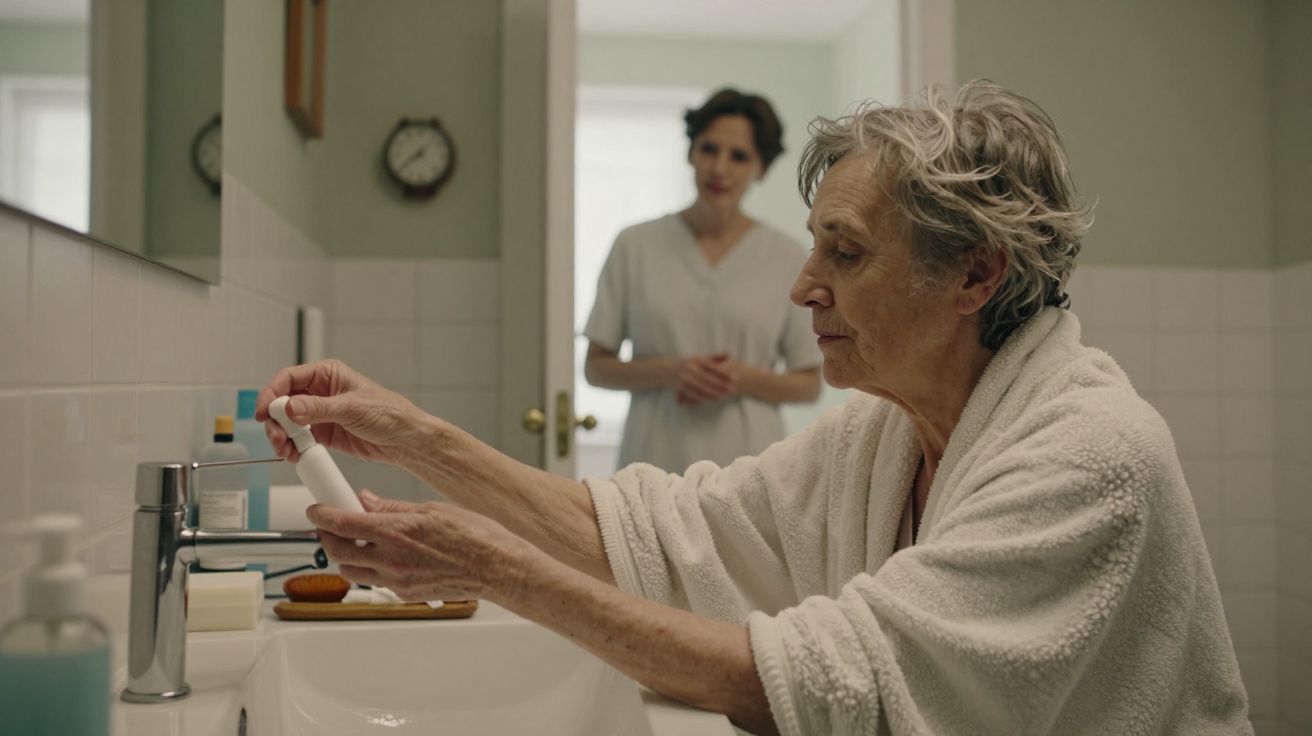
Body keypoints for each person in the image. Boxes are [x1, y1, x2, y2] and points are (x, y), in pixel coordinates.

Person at [259, 81, 1251, 735]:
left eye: (846, 254)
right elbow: (666, 531)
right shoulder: (883, 431)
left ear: (974, 275)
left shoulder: (1091, 457)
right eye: (814, 244)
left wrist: (488, 565)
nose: (802, 286)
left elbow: (831, 683)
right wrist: (413, 435)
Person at [583, 88, 822, 471]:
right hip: (653, 463)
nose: (719, 168)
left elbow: (809, 383)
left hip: (750, 467)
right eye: (709, 149)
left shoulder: (787, 256)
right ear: (690, 153)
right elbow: (596, 367)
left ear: (760, 168)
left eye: (739, 156)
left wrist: (743, 379)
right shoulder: (635, 245)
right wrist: (671, 371)